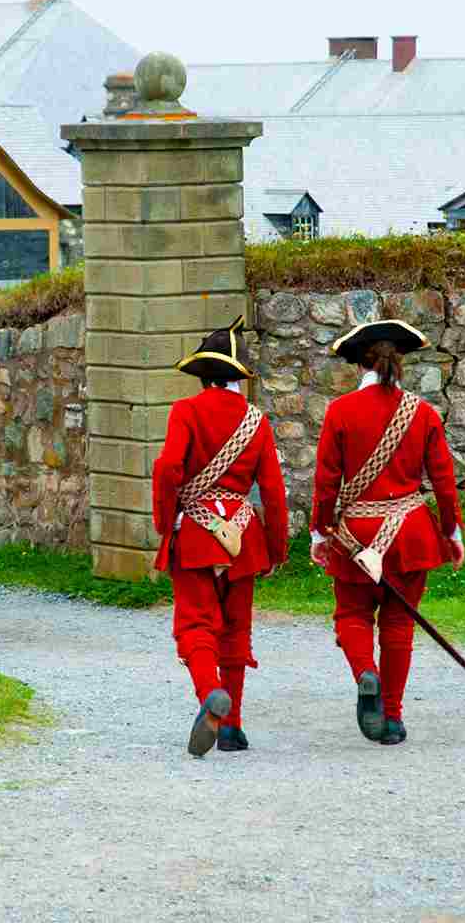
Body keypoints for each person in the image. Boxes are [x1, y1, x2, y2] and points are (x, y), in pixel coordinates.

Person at [310, 319, 465, 746]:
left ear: (359, 365)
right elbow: (444, 481)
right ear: (399, 361)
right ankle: (393, 718)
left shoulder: (340, 412)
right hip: (409, 532)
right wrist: (452, 533)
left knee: (351, 616)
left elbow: (325, 484)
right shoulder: (424, 412)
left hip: (355, 533)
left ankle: (365, 674)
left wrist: (320, 535)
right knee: (398, 624)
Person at [152, 315, 290, 757]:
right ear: (238, 378)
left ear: (203, 376)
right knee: (235, 632)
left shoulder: (186, 411)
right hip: (244, 537)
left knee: (195, 624)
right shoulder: (257, 421)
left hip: (195, 532)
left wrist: (165, 521)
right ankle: (231, 728)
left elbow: (168, 468)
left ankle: (211, 695)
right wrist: (276, 546)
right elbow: (272, 490)